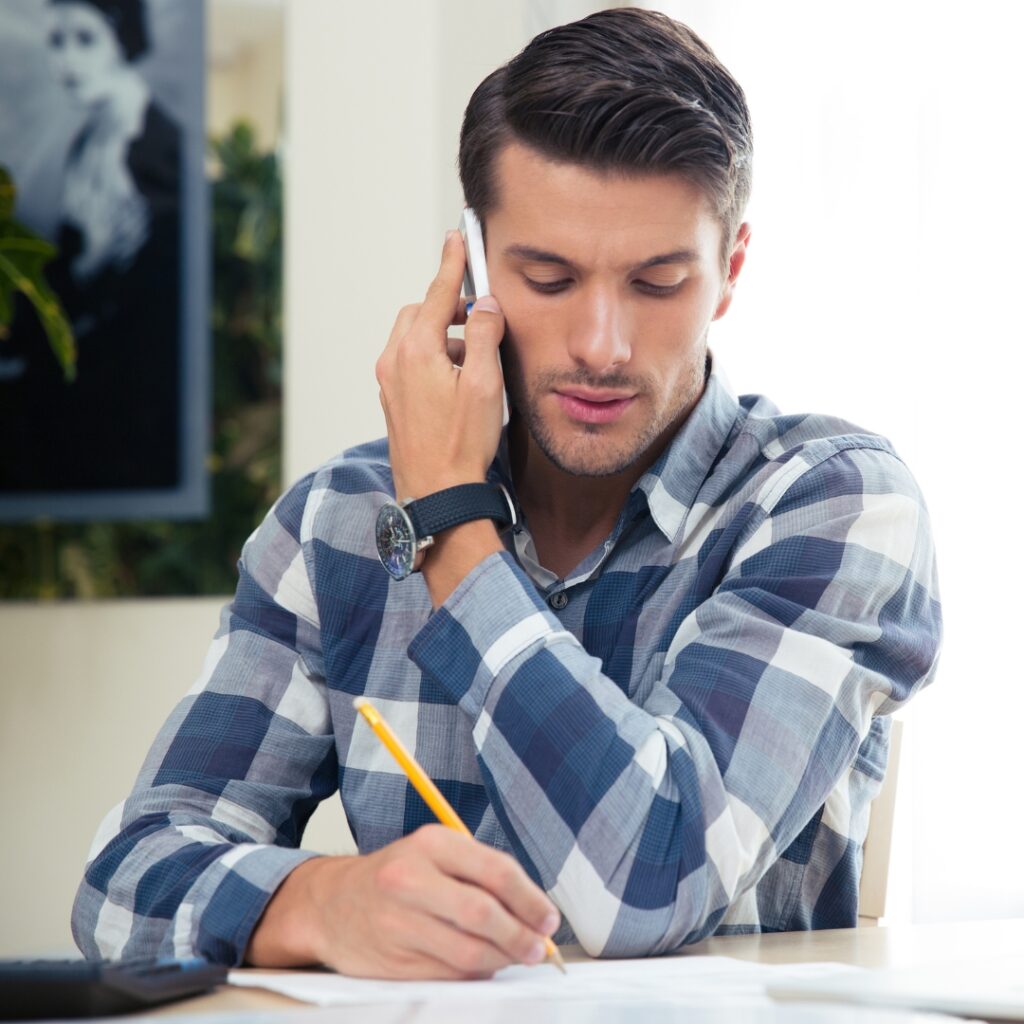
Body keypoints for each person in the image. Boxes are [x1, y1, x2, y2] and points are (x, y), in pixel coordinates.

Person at [72, 8, 941, 979]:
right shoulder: (339, 525)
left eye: (657, 283)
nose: (602, 346)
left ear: (728, 272)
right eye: (548, 276)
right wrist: (315, 901)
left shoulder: (832, 503)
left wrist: (451, 526)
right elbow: (121, 883)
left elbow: (649, 879)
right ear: (474, 266)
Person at [0, 0, 180, 491]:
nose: (67, 60)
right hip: (73, 405)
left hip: (128, 414)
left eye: (85, 39)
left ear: (122, 36)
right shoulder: (91, 137)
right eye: (56, 42)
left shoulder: (161, 153)